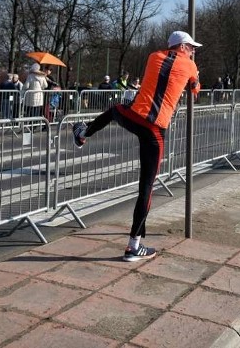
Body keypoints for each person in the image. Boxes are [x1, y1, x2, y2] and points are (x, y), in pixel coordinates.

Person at [71, 31, 201, 262]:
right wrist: (194, 75)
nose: (193, 51)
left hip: (134, 115)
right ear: (182, 47)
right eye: (191, 47)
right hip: (154, 128)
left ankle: (83, 133)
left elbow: (159, 77)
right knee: (147, 188)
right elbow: (195, 90)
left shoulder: (153, 56)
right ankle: (133, 246)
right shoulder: (189, 65)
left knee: (114, 111)